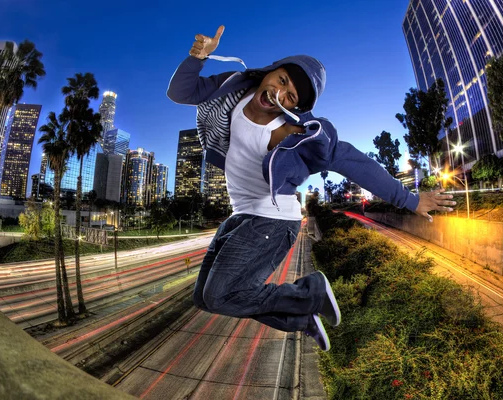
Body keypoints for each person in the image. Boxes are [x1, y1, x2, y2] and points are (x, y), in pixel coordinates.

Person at [167, 25, 456, 351]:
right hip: (242, 215)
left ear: (295, 108)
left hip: (272, 222)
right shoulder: (234, 90)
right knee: (205, 298)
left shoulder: (294, 134)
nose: (280, 93)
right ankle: (301, 319)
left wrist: (410, 199)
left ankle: (311, 292)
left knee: (221, 294)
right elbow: (181, 93)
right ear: (271, 72)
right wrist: (197, 57)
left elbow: (354, 162)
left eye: (290, 97)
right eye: (282, 80)